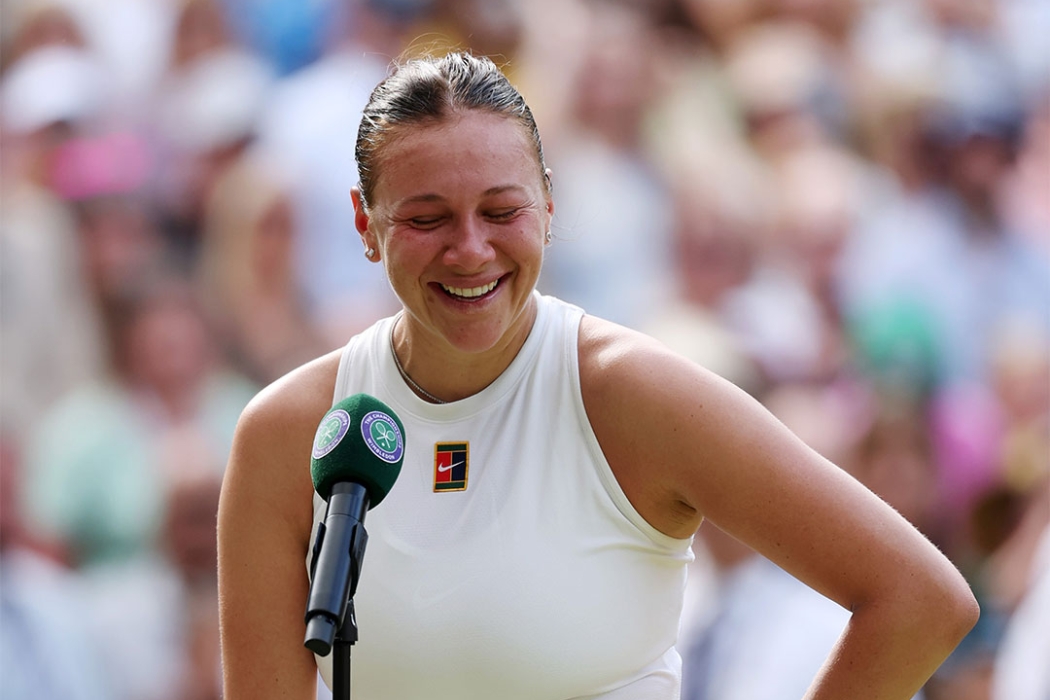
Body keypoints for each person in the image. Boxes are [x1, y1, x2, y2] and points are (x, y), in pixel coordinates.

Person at [217, 51, 979, 700]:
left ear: (549, 203)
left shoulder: (634, 394)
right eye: (426, 219)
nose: (471, 249)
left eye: (501, 210)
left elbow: (920, 600)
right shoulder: (286, 435)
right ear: (363, 223)